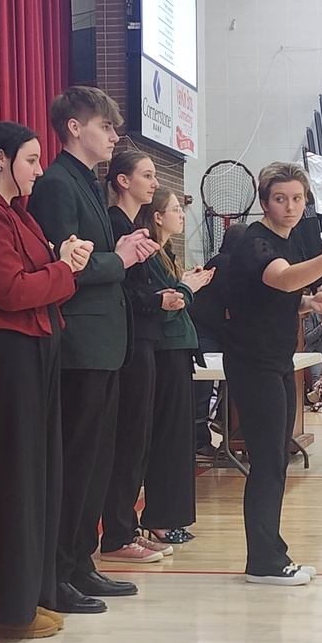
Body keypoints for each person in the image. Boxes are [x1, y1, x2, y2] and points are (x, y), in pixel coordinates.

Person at [28, 86, 158, 611]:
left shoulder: (85, 181)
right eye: (106, 126)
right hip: (81, 342)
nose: (114, 135)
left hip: (105, 341)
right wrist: (120, 258)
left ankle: (81, 562)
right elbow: (67, 269)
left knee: (96, 459)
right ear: (76, 127)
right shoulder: (59, 184)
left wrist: (117, 256)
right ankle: (62, 569)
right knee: (77, 460)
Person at [0, 122, 92, 640]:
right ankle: (3, 608)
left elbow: (44, 283)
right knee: (12, 480)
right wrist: (65, 269)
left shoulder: (17, 215)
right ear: (1, 159)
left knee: (38, 476)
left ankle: (28, 598)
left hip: (37, 347)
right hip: (9, 352)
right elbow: (12, 290)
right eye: (32, 160)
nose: (40, 170)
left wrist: (64, 267)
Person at [224, 161, 322, 586]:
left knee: (278, 457)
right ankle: (262, 561)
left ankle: (271, 552)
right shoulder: (254, 241)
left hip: (277, 361)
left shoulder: (289, 237)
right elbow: (280, 280)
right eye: (280, 199)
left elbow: (271, 298)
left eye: (297, 198)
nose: (290, 206)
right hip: (252, 362)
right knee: (267, 461)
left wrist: (307, 303)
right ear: (265, 202)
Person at [98, 151, 183, 563]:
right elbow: (124, 291)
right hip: (130, 341)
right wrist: (157, 299)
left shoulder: (135, 227)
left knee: (140, 438)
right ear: (122, 181)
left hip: (145, 338)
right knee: (128, 438)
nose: (154, 182)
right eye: (146, 176)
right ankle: (116, 533)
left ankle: (126, 527)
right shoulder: (115, 226)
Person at [129, 188, 213, 547]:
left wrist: (186, 284)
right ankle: (160, 518)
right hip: (164, 349)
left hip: (178, 347)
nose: (182, 214)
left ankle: (169, 515)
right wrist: (188, 287)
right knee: (166, 437)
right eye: (175, 209)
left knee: (178, 437)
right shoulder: (148, 255)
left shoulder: (166, 254)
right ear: (158, 216)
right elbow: (169, 302)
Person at [189, 223, 246, 456]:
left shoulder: (222, 261)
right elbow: (235, 303)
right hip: (204, 330)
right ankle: (198, 440)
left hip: (212, 330)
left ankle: (227, 430)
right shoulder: (225, 263)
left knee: (220, 383)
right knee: (203, 387)